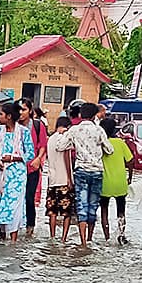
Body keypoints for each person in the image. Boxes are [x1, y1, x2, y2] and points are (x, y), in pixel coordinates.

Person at [50, 102, 112, 246]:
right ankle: (90, 238)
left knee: (81, 205)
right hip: (96, 171)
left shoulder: (74, 130)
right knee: (93, 205)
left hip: (81, 171)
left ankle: (83, 240)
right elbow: (109, 150)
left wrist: (74, 143)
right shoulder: (99, 130)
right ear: (94, 115)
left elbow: (60, 146)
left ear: (80, 114)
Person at [0, 101, 34, 243]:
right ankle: (2, 237)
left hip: (17, 175)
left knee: (14, 205)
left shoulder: (24, 132)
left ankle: (13, 239)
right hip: (0, 173)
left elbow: (30, 154)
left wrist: (13, 158)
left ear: (8, 116)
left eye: (0, 114)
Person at [99, 117, 135, 244]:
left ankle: (107, 238)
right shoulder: (120, 143)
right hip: (120, 183)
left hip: (104, 183)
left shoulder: (101, 144)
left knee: (104, 210)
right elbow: (130, 161)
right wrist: (130, 176)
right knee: (121, 211)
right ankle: (121, 235)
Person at [19, 98, 48, 238]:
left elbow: (43, 144)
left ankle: (30, 228)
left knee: (29, 198)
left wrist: (38, 158)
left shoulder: (37, 125)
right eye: (19, 109)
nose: (21, 112)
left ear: (30, 111)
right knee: (15, 198)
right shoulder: (13, 126)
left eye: (24, 109)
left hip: (32, 167)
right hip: (15, 168)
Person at [45, 115, 76, 241]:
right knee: (66, 212)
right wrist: (70, 178)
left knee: (52, 212)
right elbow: (66, 158)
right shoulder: (65, 139)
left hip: (52, 180)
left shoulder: (50, 139)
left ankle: (52, 236)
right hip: (63, 179)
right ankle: (64, 238)